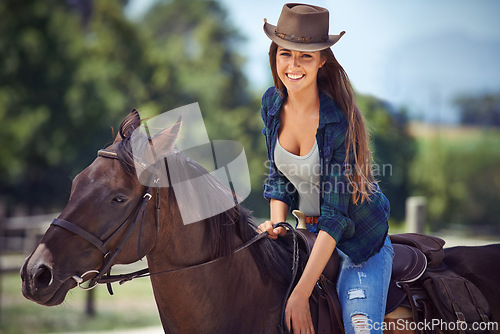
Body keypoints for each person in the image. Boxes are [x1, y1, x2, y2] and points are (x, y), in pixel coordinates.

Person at [257, 3, 394, 334]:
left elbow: (336, 217)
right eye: (285, 54)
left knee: (360, 327)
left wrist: (301, 295)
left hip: (358, 244)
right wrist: (277, 226)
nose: (293, 65)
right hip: (308, 233)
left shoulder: (337, 123)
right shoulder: (272, 104)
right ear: (274, 56)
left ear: (322, 60)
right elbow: (279, 177)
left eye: (305, 56)